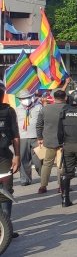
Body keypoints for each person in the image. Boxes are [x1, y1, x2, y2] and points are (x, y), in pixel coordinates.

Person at [36, 88, 68, 194]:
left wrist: (40, 138)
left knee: (46, 163)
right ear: (65, 98)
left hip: (49, 141)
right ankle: (61, 186)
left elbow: (39, 125)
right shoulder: (68, 108)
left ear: (53, 98)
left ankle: (43, 186)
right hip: (64, 141)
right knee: (61, 164)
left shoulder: (45, 109)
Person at [0, 82, 20, 239]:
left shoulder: (8, 111)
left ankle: (6, 227)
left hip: (4, 158)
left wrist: (17, 156)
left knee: (6, 191)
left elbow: (15, 135)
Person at [15, 91, 41, 187]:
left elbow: (43, 121)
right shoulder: (16, 110)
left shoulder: (38, 107)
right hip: (22, 137)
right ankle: (25, 179)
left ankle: (43, 175)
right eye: (24, 98)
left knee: (39, 159)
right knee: (23, 160)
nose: (27, 100)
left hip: (37, 137)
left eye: (28, 97)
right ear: (20, 100)